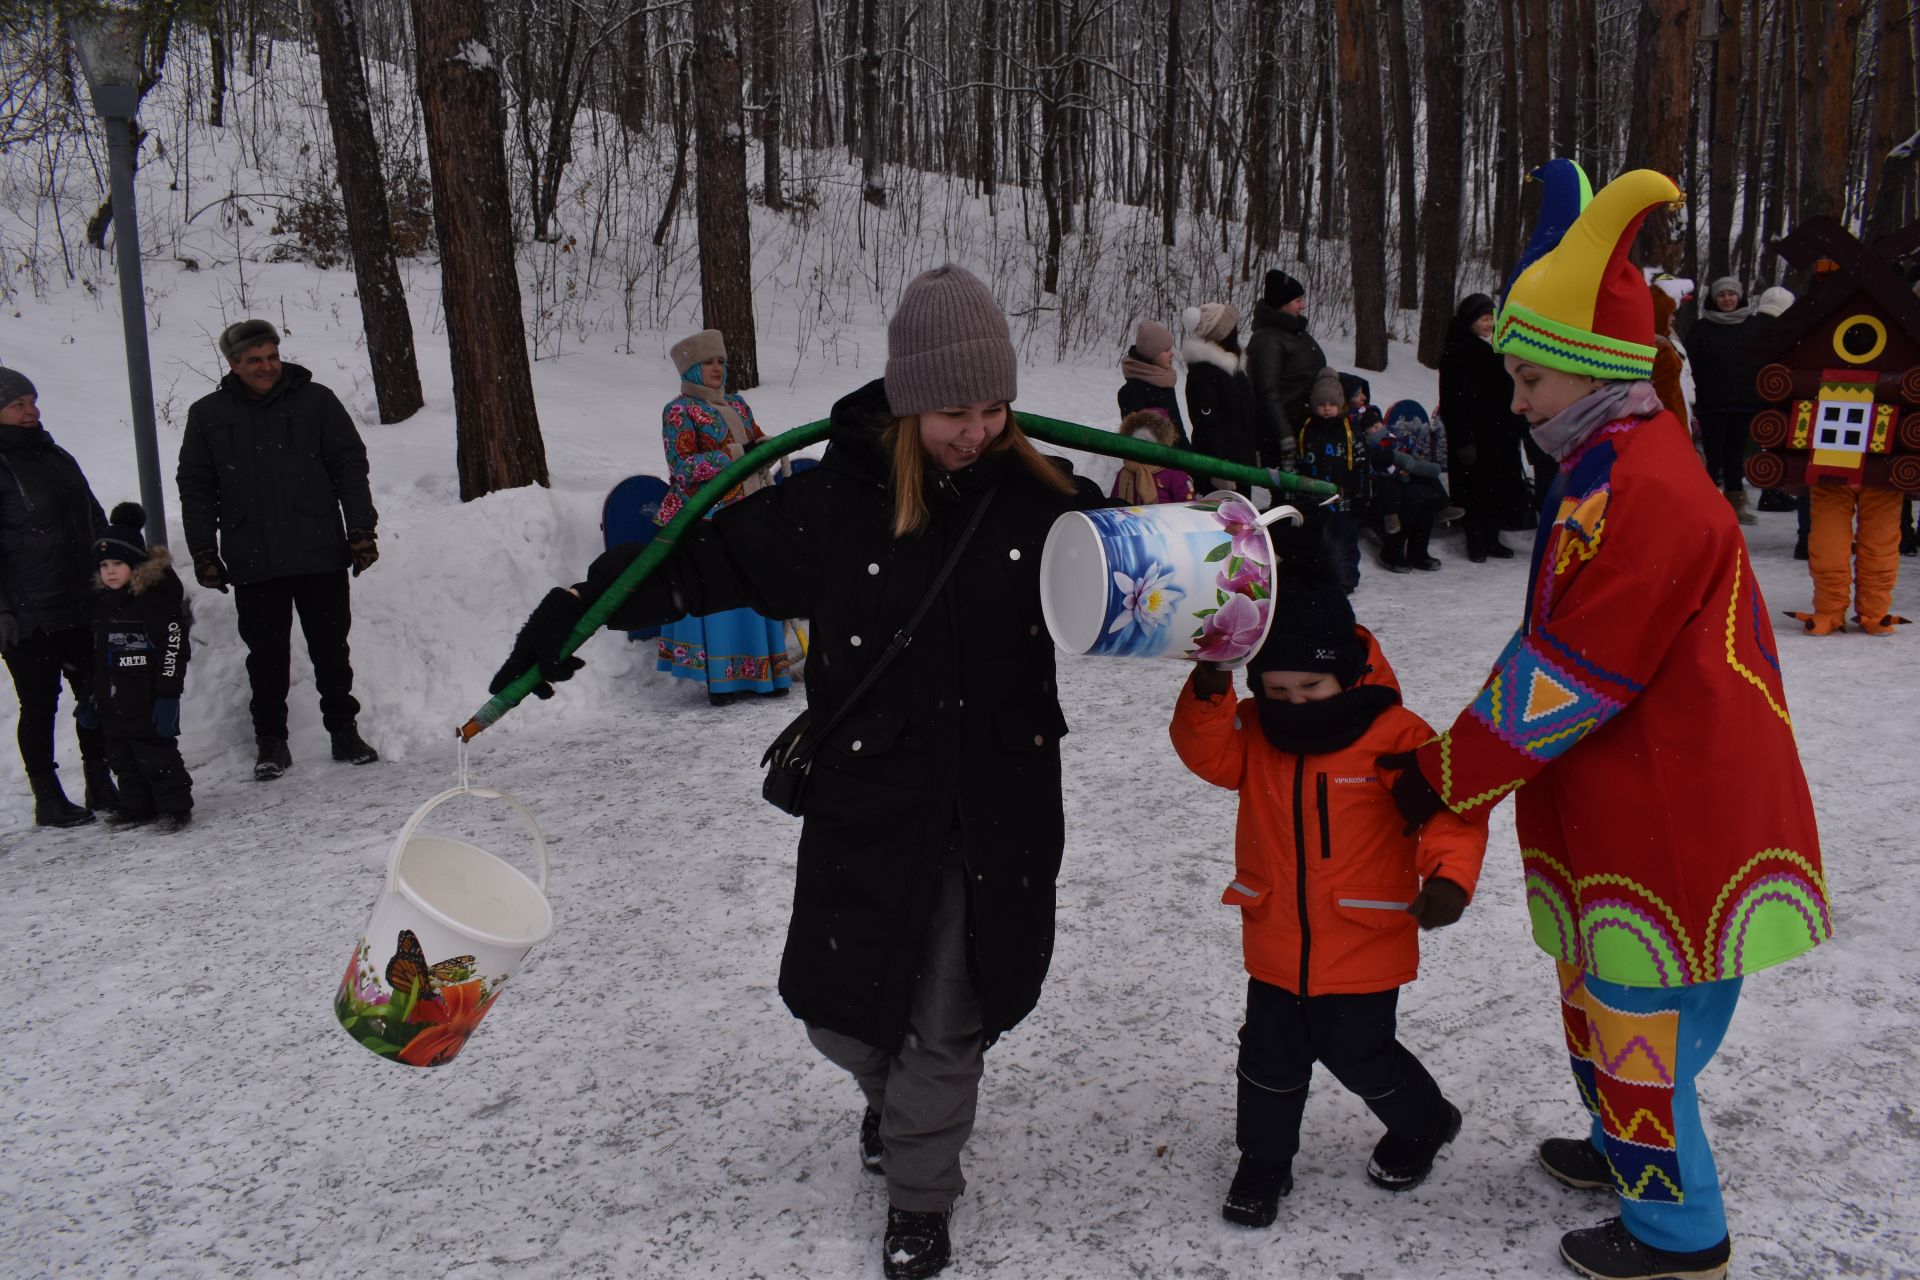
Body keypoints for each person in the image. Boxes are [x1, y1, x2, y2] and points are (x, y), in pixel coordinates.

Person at [489, 265, 1105, 1280]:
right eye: (955, 409)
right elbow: (688, 564)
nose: (978, 431)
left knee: (948, 1019)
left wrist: (1235, 557)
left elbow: (1166, 576)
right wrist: (577, 610)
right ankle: (898, 1100)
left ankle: (920, 1195)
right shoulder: (834, 504)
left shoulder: (1041, 502)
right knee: (837, 1009)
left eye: (996, 407)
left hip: (998, 802)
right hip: (874, 799)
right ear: (909, 400)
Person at [1384, 167, 1828, 1280]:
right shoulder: (1603, 463)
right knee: (1600, 991)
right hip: (1624, 801)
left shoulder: (1646, 490)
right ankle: (1621, 1146)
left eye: (1529, 377)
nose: (1519, 400)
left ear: (1586, 368)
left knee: (1644, 1023)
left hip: (1673, 818)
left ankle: (1679, 1231)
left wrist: (1447, 772)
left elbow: (1573, 667)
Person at [1171, 577, 1486, 1228]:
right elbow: (1207, 753)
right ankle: (1263, 1160)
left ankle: (1426, 1123)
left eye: (1311, 689)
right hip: (1277, 935)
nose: (1295, 703)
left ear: (1347, 674)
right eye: (1278, 691)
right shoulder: (1258, 732)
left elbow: (1447, 813)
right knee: (1267, 1058)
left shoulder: (1395, 736)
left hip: (1364, 935)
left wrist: (1449, 879)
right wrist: (1209, 693)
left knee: (1360, 1054)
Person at [176, 320, 380, 780]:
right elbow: (197, 487)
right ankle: (271, 742)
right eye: (255, 360)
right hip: (254, 556)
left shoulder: (316, 401)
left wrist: (361, 529)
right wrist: (204, 550)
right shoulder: (208, 414)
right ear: (233, 364)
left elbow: (350, 465)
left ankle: (344, 731)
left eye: (272, 356)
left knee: (331, 647)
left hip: (319, 550)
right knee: (265, 655)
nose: (267, 367)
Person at [651, 328, 793, 706]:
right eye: (708, 362)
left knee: (754, 590)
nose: (717, 369)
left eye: (721, 362)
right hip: (706, 519)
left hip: (749, 511)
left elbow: (756, 442)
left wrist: (767, 446)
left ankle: (766, 673)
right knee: (720, 594)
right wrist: (737, 454)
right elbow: (683, 467)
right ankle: (724, 680)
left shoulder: (740, 405)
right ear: (691, 369)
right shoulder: (679, 411)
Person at [0, 366, 115, 826]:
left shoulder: (56, 455)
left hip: (81, 599)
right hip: (27, 611)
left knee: (95, 693)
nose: (31, 411)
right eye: (17, 404)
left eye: (32, 401)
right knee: (40, 702)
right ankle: (47, 796)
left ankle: (101, 781)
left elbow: (93, 514)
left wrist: (113, 562)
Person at [83, 503, 192, 831]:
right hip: (114, 701)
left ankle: (174, 807)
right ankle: (137, 805)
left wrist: (167, 697)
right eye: (104, 565)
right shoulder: (103, 606)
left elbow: (173, 651)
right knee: (122, 757)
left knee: (156, 755)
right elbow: (98, 658)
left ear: (136, 565)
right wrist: (90, 697)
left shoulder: (155, 602)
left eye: (118, 563)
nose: (110, 571)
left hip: (147, 697)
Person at [1438, 294, 1530, 562]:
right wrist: (1463, 439)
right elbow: (1452, 401)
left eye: (1492, 317)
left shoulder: (1490, 349)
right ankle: (1475, 541)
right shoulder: (1457, 351)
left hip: (1496, 433)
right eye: (1483, 318)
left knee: (1494, 488)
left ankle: (1492, 538)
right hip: (1474, 433)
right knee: (1474, 490)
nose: (1489, 323)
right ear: (1470, 321)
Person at [1687, 276, 1764, 525]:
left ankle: (1736, 505)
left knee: (1736, 454)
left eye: (1732, 294)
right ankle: (1707, 505)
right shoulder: (1701, 329)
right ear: (1714, 298)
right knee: (1712, 456)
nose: (1727, 299)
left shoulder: (1752, 327)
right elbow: (1691, 365)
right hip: (1711, 404)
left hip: (1743, 401)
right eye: (1722, 295)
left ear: (1739, 296)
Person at [1294, 368, 1367, 592]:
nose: (1327, 408)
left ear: (1340, 404)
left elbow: (1362, 461)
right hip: (1315, 498)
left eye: (1332, 404)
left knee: (1344, 540)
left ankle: (1346, 579)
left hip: (1344, 497)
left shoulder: (1348, 430)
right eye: (1322, 404)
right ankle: (1323, 575)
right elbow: (1298, 461)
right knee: (1319, 539)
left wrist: (1363, 492)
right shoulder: (1307, 429)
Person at [1246, 269, 1325, 470]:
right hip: (1284, 431)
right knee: (1287, 495)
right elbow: (1266, 392)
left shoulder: (1295, 331)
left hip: (1306, 425)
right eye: (1297, 300)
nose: (1303, 305)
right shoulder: (1267, 339)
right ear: (1283, 303)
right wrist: (1284, 435)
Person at [1181, 301, 1261, 495]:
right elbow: (1206, 424)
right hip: (1220, 467)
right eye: (1232, 327)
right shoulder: (1203, 371)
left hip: (1240, 463)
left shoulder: (1235, 367)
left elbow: (1245, 414)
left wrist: (1252, 452)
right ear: (1222, 334)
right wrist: (1217, 468)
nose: (1236, 331)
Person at [1367, 400, 1451, 572]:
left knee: (1426, 495)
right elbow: (1374, 466)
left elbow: (1411, 447)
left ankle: (1419, 552)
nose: (1376, 429)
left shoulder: (1393, 434)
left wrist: (1415, 460)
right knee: (1410, 502)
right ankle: (1392, 552)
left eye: (1377, 425)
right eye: (1372, 427)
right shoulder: (1369, 445)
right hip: (1386, 484)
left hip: (1408, 476)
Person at [1116, 319, 1189, 446]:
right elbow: (1138, 442)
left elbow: (1178, 432)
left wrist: (1188, 457)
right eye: (1166, 350)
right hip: (1156, 463)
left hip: (1177, 460)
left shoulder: (1164, 383)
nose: (1172, 354)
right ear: (1152, 354)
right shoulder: (1132, 390)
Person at [1109, 410, 1196, 505]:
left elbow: (1188, 505)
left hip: (1163, 518)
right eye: (1137, 442)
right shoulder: (1125, 472)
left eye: (1148, 442)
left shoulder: (1174, 472)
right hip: (1128, 519)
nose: (1142, 448)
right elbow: (1114, 503)